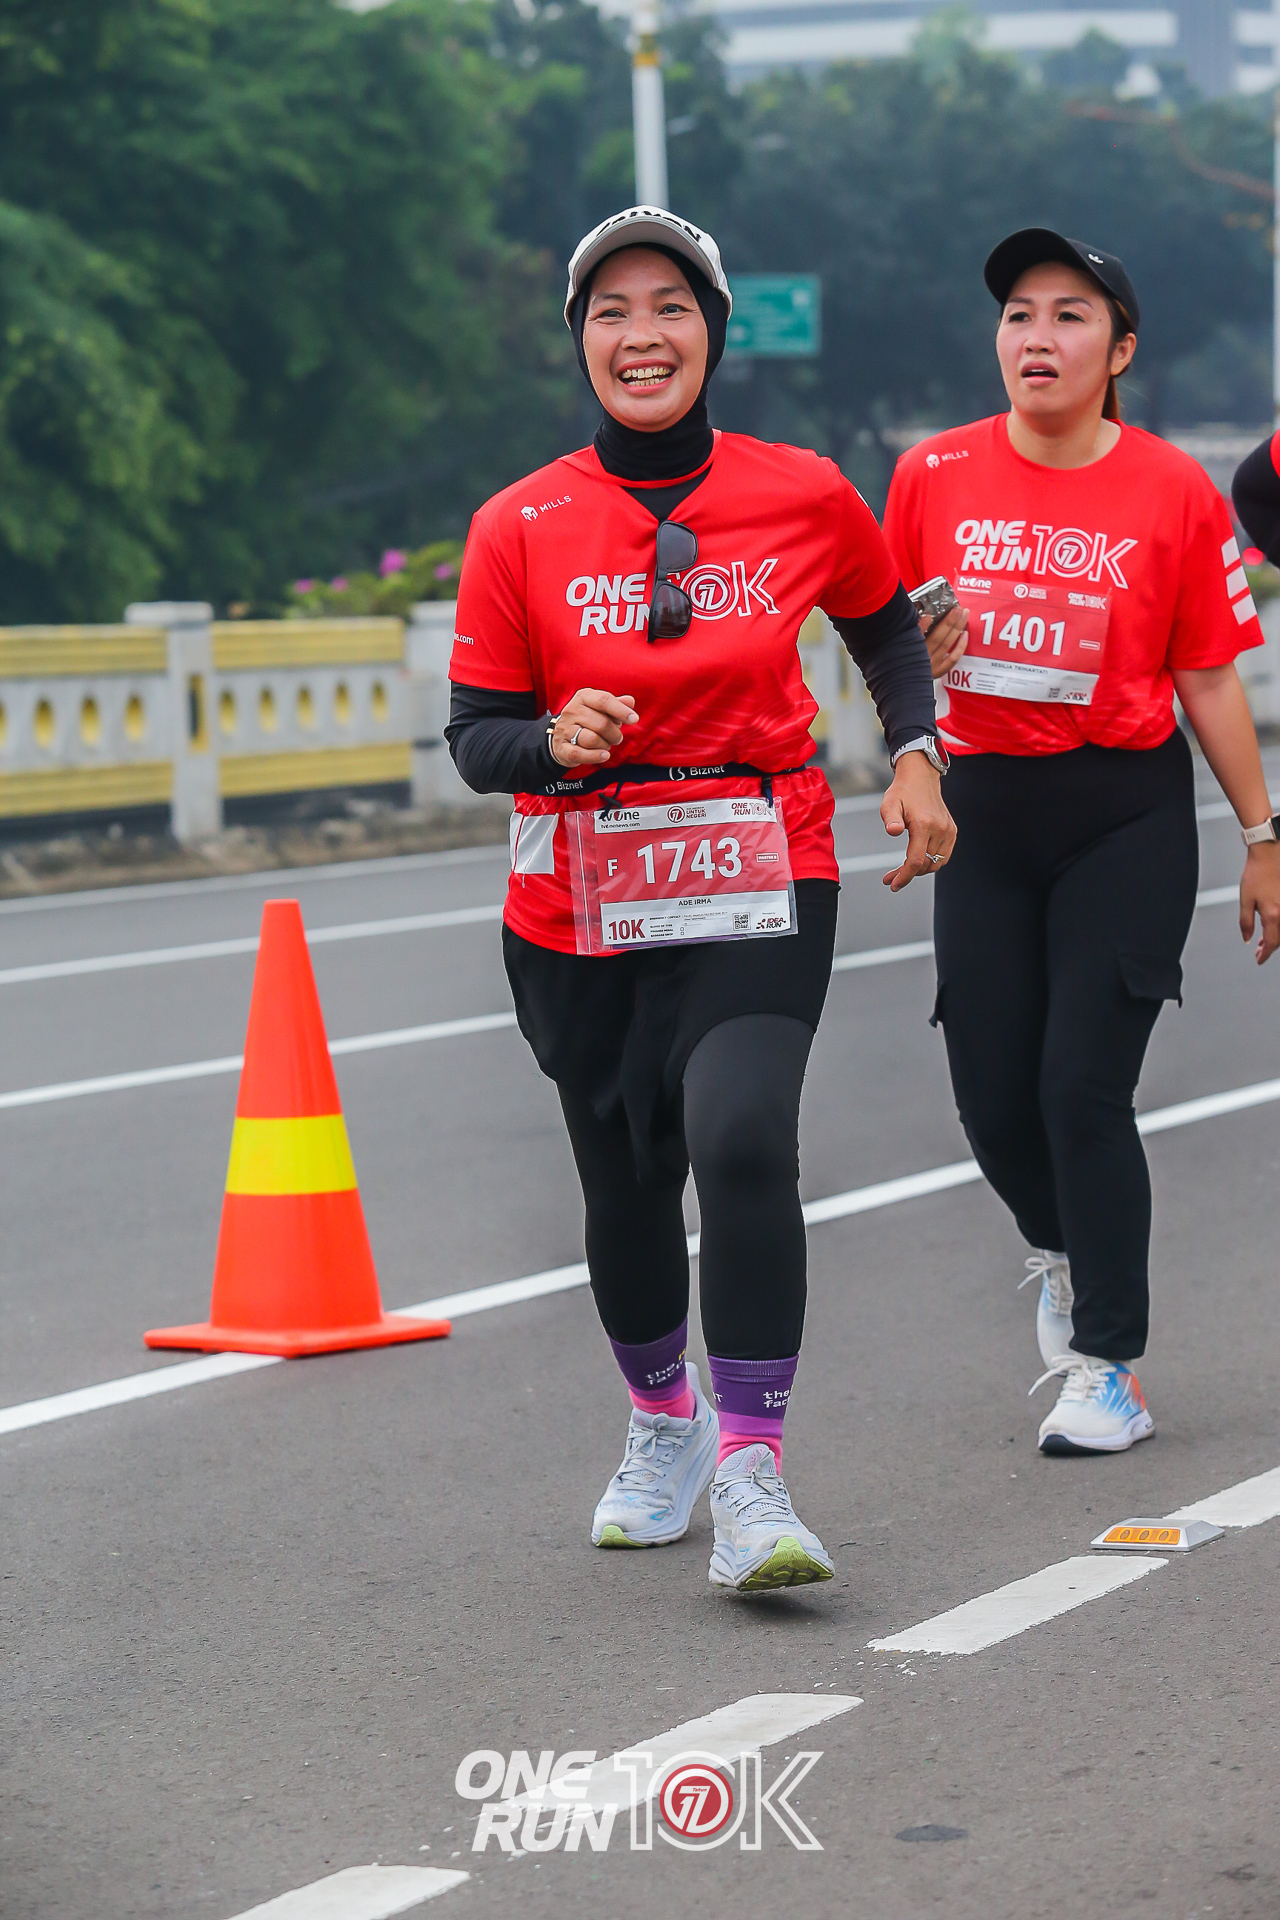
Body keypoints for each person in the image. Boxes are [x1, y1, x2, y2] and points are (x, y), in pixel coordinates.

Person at [446, 206, 952, 1590]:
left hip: (759, 864)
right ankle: (663, 1422)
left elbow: (885, 627)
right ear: (581, 341)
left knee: (737, 1140)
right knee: (624, 1177)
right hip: (580, 899)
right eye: (611, 310)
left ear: (712, 334)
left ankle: (752, 1474)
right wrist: (554, 741)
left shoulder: (804, 492)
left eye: (670, 305)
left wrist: (916, 753)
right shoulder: (517, 523)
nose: (642, 334)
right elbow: (477, 737)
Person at [883, 227, 1280, 1455]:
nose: (1036, 337)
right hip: (986, 814)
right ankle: (1062, 1254)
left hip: (1121, 809)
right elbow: (882, 643)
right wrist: (910, 727)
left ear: (1118, 351)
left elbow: (1204, 677)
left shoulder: (1169, 487)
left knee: (1079, 1090)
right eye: (1017, 314)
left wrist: (1262, 837)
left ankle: (1106, 1364)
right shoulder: (930, 473)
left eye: (1067, 316)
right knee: (991, 1102)